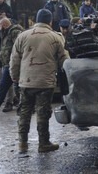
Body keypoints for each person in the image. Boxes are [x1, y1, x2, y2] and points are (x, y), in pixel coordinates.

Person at [10, 9, 69, 153]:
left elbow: (14, 60)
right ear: (50, 22)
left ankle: (22, 143)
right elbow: (64, 60)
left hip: (26, 81)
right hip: (45, 81)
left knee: (24, 112)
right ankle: (43, 143)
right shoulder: (55, 37)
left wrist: (15, 77)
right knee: (43, 113)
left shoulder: (22, 36)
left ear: (36, 20)